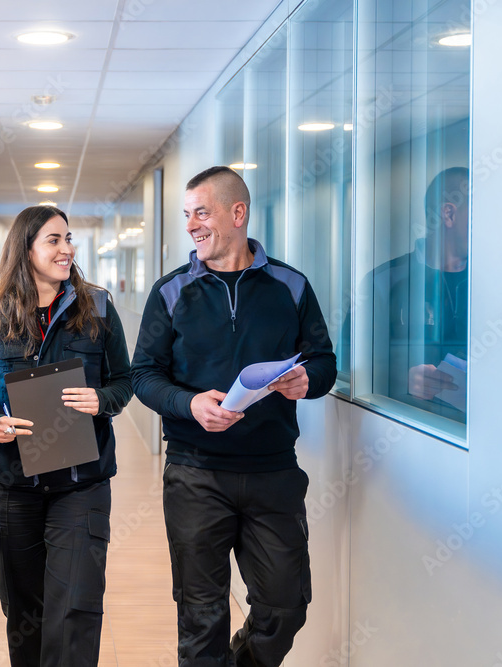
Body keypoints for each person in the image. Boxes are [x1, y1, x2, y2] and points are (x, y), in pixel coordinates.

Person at [131, 166, 337, 667]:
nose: (191, 225)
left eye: (202, 212)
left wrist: (309, 380)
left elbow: (324, 362)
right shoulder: (171, 291)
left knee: (285, 606)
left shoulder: (290, 286)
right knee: (201, 616)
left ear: (237, 213)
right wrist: (190, 403)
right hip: (195, 474)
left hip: (273, 474)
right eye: (186, 215)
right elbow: (143, 375)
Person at [0, 205, 133, 666]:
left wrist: (101, 400)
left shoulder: (98, 306)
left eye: (68, 239)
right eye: (54, 240)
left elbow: (125, 381)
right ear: (25, 250)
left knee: (76, 607)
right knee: (24, 610)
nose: (67, 249)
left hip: (80, 482)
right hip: (13, 484)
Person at [372, 166, 469, 420]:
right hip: (414, 429)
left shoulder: (491, 282)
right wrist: (403, 379)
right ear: (449, 214)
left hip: (479, 433)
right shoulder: (385, 281)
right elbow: (348, 365)